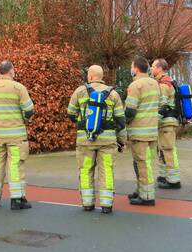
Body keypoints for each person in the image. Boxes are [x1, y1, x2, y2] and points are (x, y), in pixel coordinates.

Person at [67, 65, 125, 213]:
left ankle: (87, 203)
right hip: (107, 142)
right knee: (107, 171)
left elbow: (71, 113)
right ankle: (106, 205)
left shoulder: (79, 91)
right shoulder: (113, 94)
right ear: (101, 76)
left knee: (85, 170)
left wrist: (82, 122)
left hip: (85, 141)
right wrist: (121, 141)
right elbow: (120, 121)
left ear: (90, 76)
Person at [0, 60, 34, 210]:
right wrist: (24, 119)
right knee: (15, 166)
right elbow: (29, 110)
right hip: (16, 136)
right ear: (11, 71)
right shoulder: (18, 87)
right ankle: (17, 200)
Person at [124, 56, 161, 206]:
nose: (131, 69)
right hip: (152, 131)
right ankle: (141, 190)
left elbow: (130, 111)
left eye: (132, 66)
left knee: (142, 164)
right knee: (145, 163)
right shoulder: (155, 83)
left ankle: (146, 196)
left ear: (136, 68)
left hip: (139, 132)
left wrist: (121, 123)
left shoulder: (135, 85)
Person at [151, 58, 181, 190]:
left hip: (166, 123)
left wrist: (152, 122)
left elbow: (162, 107)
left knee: (168, 150)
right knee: (162, 149)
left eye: (153, 66)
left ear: (159, 68)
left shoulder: (164, 85)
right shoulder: (166, 82)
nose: (151, 68)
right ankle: (164, 176)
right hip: (165, 123)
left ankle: (174, 181)